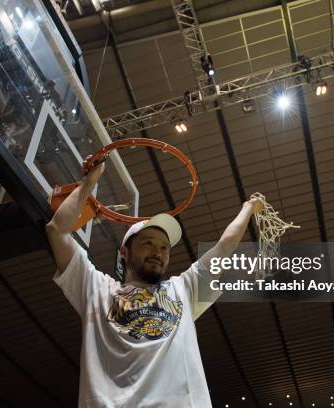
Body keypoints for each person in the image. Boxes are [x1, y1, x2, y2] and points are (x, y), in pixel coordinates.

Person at [45, 160, 263, 407]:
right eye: (147, 243)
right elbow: (57, 230)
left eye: (164, 247)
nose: (158, 252)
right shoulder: (95, 288)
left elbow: (225, 245)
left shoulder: (183, 289)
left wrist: (247, 208)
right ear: (124, 253)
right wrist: (90, 182)